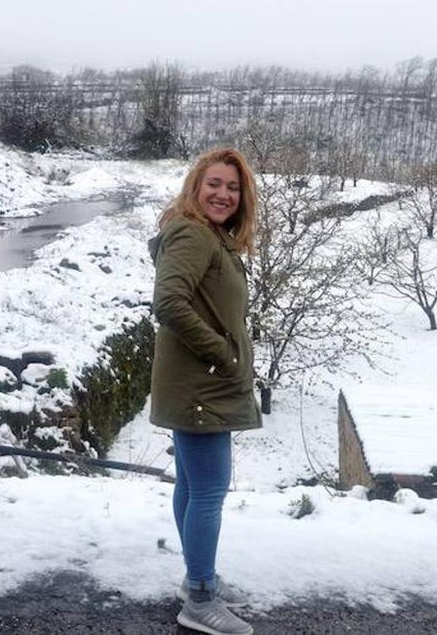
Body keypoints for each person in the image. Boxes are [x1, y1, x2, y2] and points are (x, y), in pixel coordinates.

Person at [149, 147, 262, 635]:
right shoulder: (194, 234)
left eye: (233, 187)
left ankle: (199, 578)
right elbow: (168, 302)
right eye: (213, 183)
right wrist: (222, 352)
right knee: (210, 489)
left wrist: (225, 354)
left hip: (200, 381)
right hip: (202, 385)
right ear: (195, 186)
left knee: (193, 486)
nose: (223, 194)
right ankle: (199, 599)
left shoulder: (211, 237)